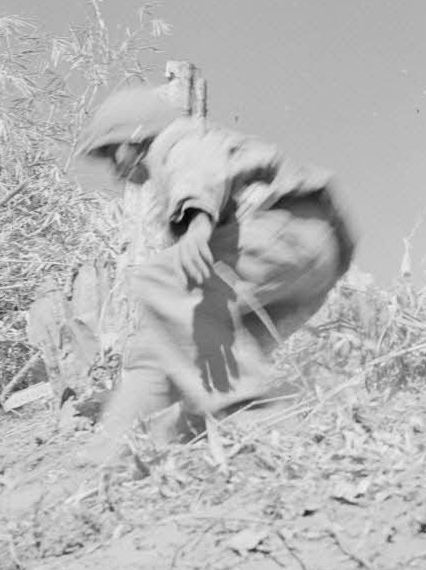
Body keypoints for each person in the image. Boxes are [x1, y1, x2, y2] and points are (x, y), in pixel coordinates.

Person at [76, 84, 356, 458]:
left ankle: (253, 416)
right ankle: (112, 451)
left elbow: (199, 168)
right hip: (313, 258)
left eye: (113, 153)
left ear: (136, 137)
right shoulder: (174, 160)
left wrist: (196, 219)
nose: (115, 168)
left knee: (158, 279)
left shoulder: (178, 142)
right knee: (173, 343)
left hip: (287, 232)